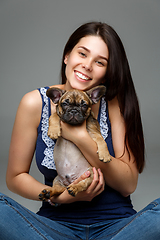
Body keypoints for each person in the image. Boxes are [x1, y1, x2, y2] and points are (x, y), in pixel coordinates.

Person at [0, 21, 159, 240]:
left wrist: (78, 135)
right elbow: (15, 177)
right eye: (82, 54)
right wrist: (61, 198)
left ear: (107, 72)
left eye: (100, 62)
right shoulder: (34, 102)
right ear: (67, 56)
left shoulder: (115, 104)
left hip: (117, 228)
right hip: (52, 227)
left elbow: (128, 184)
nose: (87, 65)